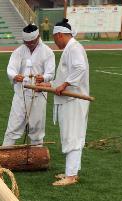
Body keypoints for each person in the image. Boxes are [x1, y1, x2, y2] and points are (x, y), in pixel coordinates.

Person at [2, 24, 55, 147]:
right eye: (27, 42)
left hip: (39, 93)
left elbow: (50, 72)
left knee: (37, 126)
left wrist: (43, 77)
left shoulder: (47, 52)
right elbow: (11, 69)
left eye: (32, 42)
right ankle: (5, 152)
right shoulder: (19, 51)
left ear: (38, 37)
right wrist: (15, 76)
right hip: (21, 93)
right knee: (13, 124)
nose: (29, 45)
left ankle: (37, 154)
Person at [50, 19, 89, 187]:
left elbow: (80, 68)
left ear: (59, 35)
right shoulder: (70, 48)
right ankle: (71, 171)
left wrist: (65, 84)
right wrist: (49, 85)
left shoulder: (74, 48)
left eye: (54, 39)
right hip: (69, 98)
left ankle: (71, 175)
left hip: (74, 99)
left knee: (73, 135)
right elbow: (64, 75)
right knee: (71, 134)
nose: (55, 43)